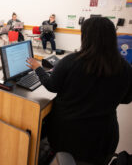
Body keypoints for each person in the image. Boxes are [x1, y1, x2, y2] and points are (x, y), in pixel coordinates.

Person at [26, 17, 132, 165]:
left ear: (85, 37)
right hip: (105, 139)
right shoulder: (125, 67)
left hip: (70, 137)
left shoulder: (71, 61)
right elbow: (126, 98)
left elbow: (51, 85)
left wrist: (38, 68)